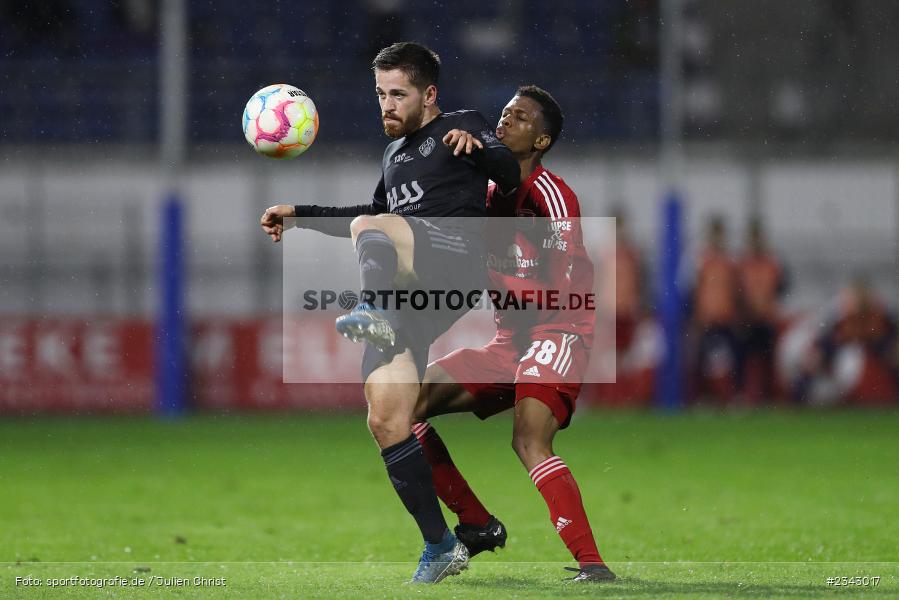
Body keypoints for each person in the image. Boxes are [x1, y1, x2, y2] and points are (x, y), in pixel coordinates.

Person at [260, 42, 519, 583]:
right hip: (412, 295)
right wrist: (300, 214)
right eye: (380, 95)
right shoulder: (394, 156)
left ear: (429, 94)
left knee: (375, 229)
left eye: (397, 94)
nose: (387, 106)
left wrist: (481, 149)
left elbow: (509, 175)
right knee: (387, 418)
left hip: (454, 261)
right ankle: (440, 543)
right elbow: (370, 214)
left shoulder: (462, 123)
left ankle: (373, 307)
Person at [410, 86, 616, 583]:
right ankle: (475, 523)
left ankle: (593, 566)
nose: (504, 122)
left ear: (541, 140)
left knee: (528, 439)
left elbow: (566, 280)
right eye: (503, 114)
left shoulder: (551, 194)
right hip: (511, 342)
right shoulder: (484, 196)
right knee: (401, 408)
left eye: (519, 118)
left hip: (559, 327)